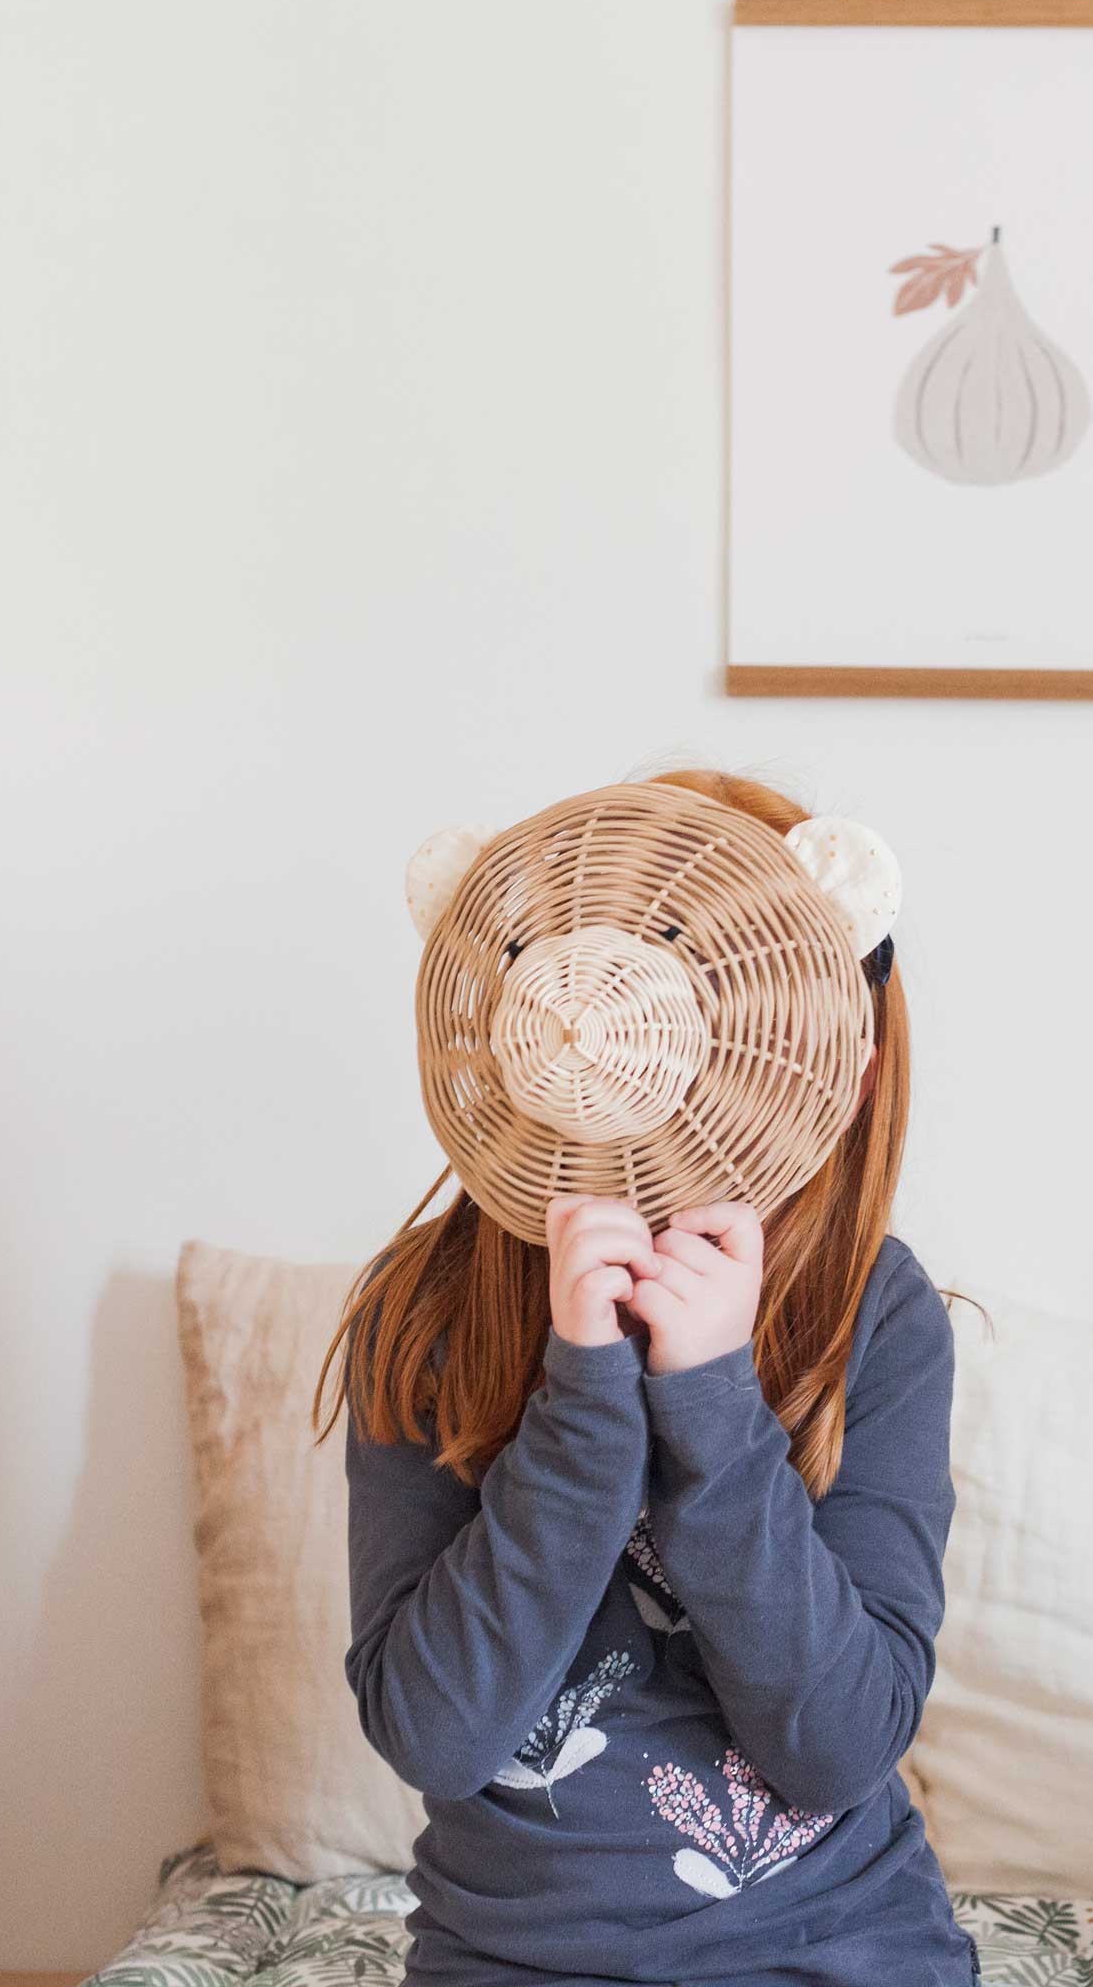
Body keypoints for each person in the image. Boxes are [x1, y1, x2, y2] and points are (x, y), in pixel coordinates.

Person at [321, 769, 972, 1985]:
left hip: (829, 1948)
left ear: (850, 1072)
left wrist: (716, 1405)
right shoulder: (424, 1309)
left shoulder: (874, 1312)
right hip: (512, 1954)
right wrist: (580, 1401)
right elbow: (433, 1731)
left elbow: (841, 1743)